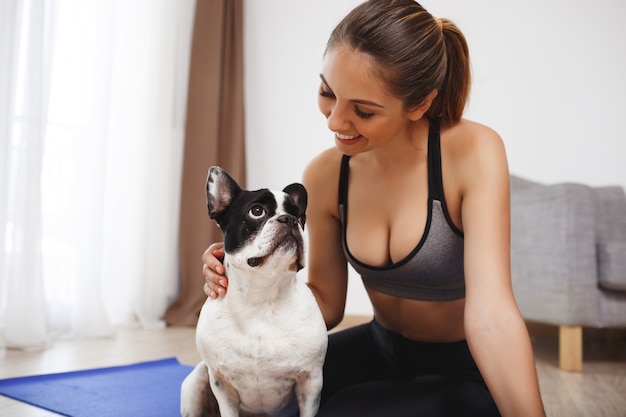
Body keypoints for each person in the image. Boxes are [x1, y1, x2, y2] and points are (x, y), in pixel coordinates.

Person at [202, 1, 546, 416]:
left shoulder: (473, 152)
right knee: (245, 399)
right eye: (328, 92)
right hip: (377, 347)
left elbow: (492, 315)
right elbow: (324, 305)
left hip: (464, 368)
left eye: (362, 110)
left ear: (418, 105)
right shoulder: (327, 174)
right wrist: (245, 274)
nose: (334, 121)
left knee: (338, 412)